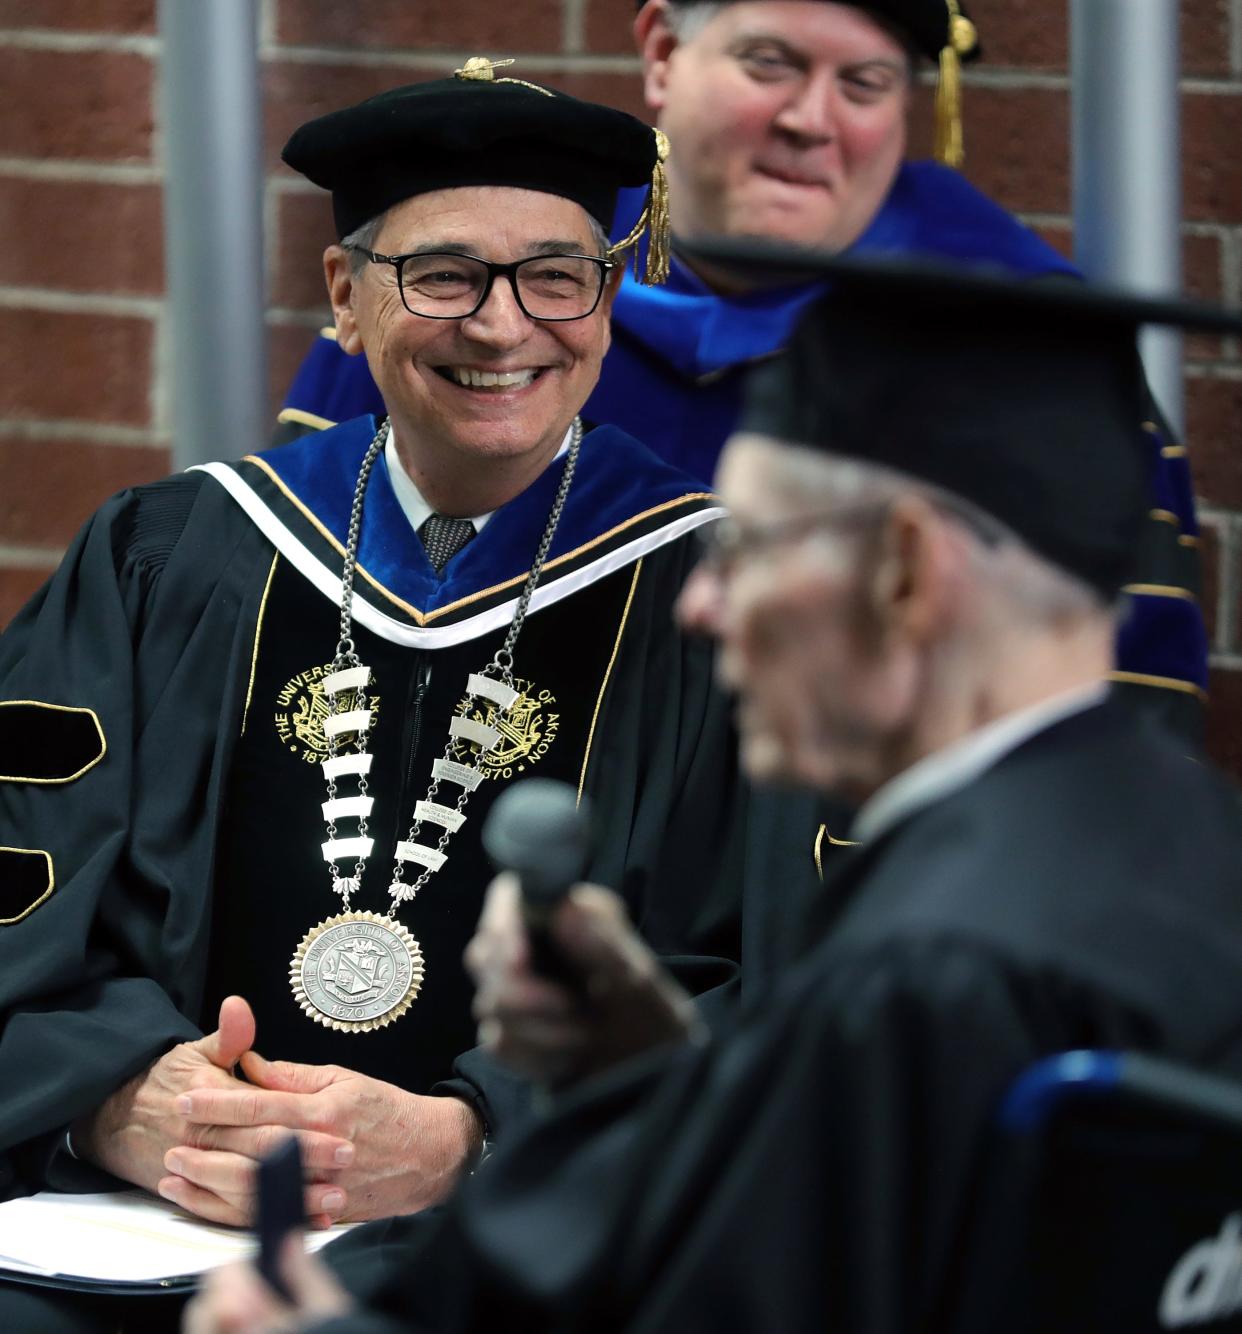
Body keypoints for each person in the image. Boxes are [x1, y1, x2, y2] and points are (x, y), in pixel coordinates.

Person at [186, 256, 1242, 1334]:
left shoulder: (930, 971)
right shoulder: (1190, 842)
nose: (700, 604)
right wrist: (646, 1071)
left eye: (751, 547)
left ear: (906, 572)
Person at [0, 61, 768, 1330]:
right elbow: (25, 862)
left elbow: (776, 965)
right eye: (445, 273)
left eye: (557, 276)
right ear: (346, 301)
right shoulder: (173, 552)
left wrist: (478, 1130)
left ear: (608, 302)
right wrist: (113, 1094)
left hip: (536, 1244)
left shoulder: (728, 597)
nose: (505, 325)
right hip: (143, 1231)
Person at [275, 0, 1207, 737]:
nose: (811, 120)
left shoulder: (1024, 345)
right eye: (771, 63)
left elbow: (1117, 710)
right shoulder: (470, 290)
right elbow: (306, 607)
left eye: (867, 83)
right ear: (662, 53)